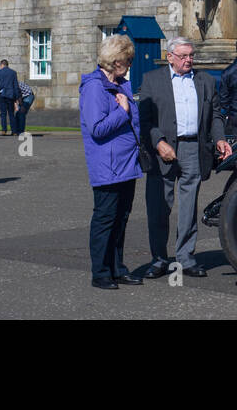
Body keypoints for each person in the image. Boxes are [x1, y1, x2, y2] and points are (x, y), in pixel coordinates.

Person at [138, 36, 231, 278]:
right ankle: (158, 259)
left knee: (189, 208)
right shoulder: (152, 80)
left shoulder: (206, 81)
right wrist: (158, 142)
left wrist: (219, 138)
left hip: (193, 148)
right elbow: (144, 119)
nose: (189, 60)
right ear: (170, 57)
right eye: (183, 56)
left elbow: (216, 116)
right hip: (164, 150)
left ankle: (186, 258)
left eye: (191, 55)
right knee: (159, 207)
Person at [80, 34, 145, 290]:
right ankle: (101, 272)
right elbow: (97, 128)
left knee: (121, 217)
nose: (129, 65)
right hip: (107, 166)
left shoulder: (120, 85)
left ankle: (117, 267)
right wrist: (123, 111)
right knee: (105, 218)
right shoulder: (94, 87)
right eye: (127, 60)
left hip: (126, 163)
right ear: (116, 60)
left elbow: (134, 122)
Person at [0, 58, 20, 136]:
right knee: (11, 114)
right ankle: (14, 131)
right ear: (7, 65)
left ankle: (4, 130)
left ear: (2, 65)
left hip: (2, 95)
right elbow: (15, 86)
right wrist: (17, 97)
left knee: (3, 114)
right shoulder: (13, 73)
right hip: (10, 95)